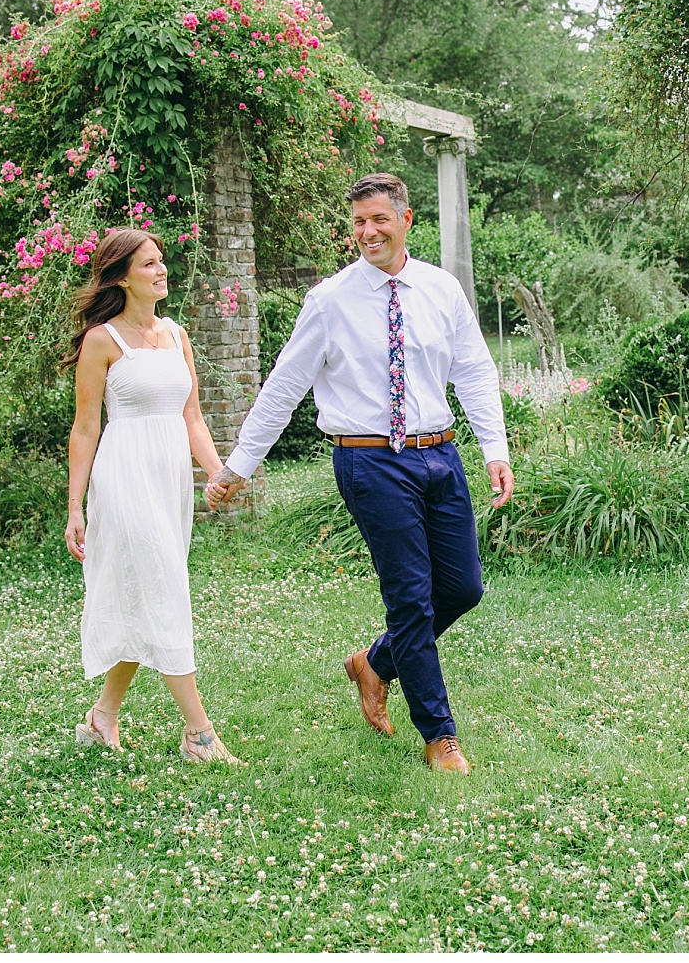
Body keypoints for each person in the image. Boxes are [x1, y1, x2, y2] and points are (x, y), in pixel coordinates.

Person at [207, 173, 513, 774]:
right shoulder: (329, 300)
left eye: (378, 220)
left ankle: (374, 663)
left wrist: (493, 448)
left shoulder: (442, 290)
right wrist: (240, 464)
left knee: (463, 588)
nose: (367, 233)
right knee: (410, 597)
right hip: (369, 458)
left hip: (439, 453)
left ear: (406, 220)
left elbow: (474, 371)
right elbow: (284, 386)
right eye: (357, 223)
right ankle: (439, 735)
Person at [63, 227, 241, 765]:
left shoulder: (176, 334)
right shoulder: (102, 340)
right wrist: (75, 507)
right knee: (164, 587)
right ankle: (199, 735)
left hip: (169, 483)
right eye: (148, 265)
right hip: (123, 479)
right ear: (121, 276)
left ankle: (102, 717)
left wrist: (217, 474)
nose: (161, 270)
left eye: (162, 261)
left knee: (148, 596)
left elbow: (191, 415)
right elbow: (85, 429)